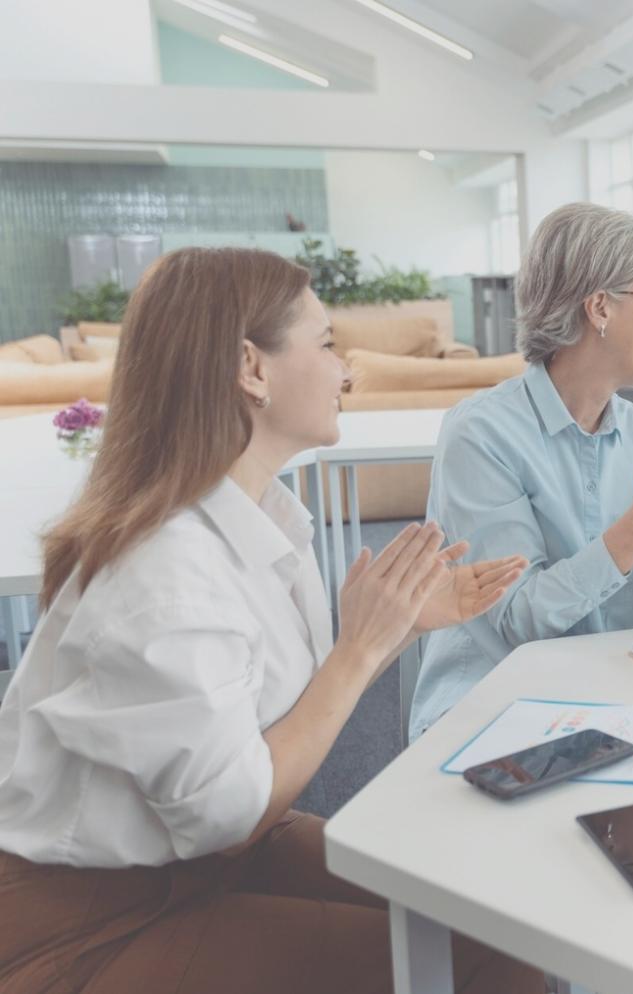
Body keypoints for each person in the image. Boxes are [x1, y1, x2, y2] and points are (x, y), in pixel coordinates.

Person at [0, 247, 538, 991]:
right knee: (474, 961)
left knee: (498, 921)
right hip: (90, 912)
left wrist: (402, 625)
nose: (347, 370)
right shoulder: (165, 572)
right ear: (252, 369)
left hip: (198, 853)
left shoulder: (263, 515)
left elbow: (277, 712)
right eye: (325, 345)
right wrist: (359, 649)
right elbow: (233, 815)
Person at [410, 203, 633, 739]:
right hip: (497, 705)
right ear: (600, 308)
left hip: (617, 697)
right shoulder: (480, 435)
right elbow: (519, 624)